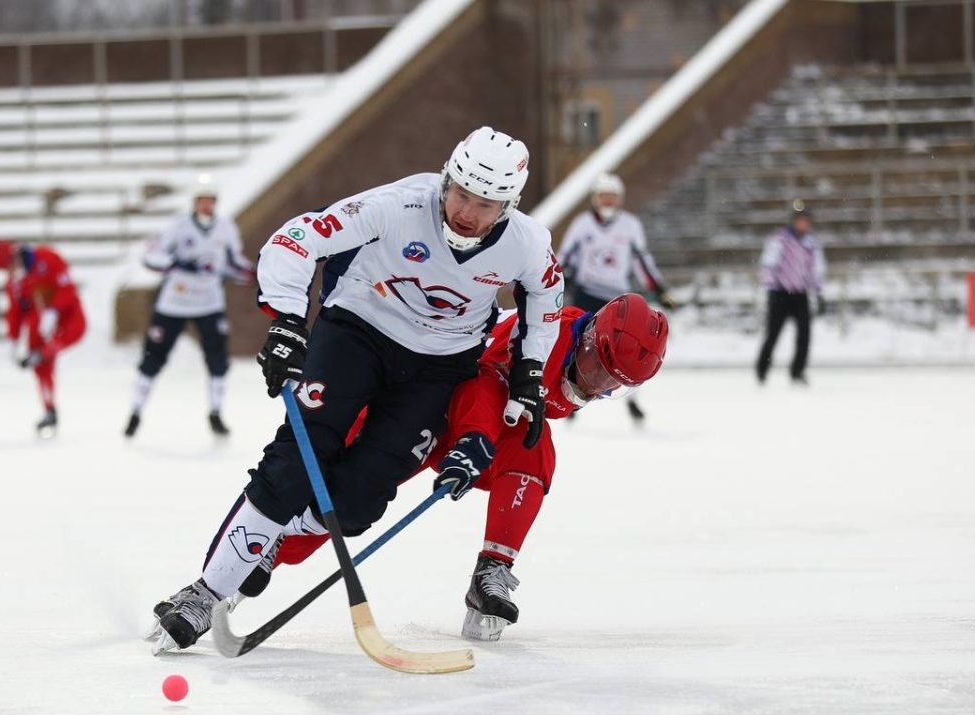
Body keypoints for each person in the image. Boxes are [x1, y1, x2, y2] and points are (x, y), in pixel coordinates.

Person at [147, 126, 565, 654]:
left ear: (508, 205)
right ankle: (205, 594)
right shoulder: (399, 204)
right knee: (296, 462)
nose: (467, 212)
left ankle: (275, 533)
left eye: (486, 203)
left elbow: (545, 300)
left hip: (439, 367)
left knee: (357, 505)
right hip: (357, 333)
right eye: (460, 193)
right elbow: (296, 239)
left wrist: (530, 372)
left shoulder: (527, 242)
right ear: (445, 179)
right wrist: (286, 323)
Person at [235, 294, 670, 642]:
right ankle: (256, 554)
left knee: (535, 445)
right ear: (590, 336)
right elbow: (483, 382)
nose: (595, 386)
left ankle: (492, 571)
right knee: (340, 492)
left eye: (612, 385)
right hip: (418, 408)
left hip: (464, 428)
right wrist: (474, 438)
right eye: (598, 369)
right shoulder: (546, 337)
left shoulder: (577, 366)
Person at [125, 175, 254, 438]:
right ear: (195, 202)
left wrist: (255, 274)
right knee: (153, 357)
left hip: (208, 302)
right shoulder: (179, 226)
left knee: (218, 358)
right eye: (202, 200)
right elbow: (152, 257)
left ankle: (216, 412)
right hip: (174, 303)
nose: (206, 205)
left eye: (210, 200)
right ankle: (136, 412)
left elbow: (233, 263)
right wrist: (177, 263)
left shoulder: (225, 228)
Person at [559, 172, 677, 425]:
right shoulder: (582, 224)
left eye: (612, 197)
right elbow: (565, 257)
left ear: (620, 199)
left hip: (618, 302)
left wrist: (659, 289)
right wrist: (556, 281)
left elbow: (642, 261)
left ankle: (632, 400)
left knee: (627, 351)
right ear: (595, 198)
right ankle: (568, 396)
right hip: (586, 293)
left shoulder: (630, 225)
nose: (608, 201)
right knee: (574, 345)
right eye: (604, 196)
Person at [0, 240, 87, 437]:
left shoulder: (47, 258)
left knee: (51, 347)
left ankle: (43, 354)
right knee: (39, 359)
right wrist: (13, 339)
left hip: (67, 316)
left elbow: (67, 289)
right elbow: (16, 311)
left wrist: (54, 310)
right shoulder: (14, 283)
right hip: (40, 321)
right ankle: (49, 407)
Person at [755, 200, 826, 385]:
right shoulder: (779, 240)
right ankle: (762, 370)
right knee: (773, 334)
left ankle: (798, 371)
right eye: (800, 220)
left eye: (806, 220)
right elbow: (768, 265)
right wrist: (771, 286)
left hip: (800, 294)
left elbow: (816, 269)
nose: (803, 224)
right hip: (780, 294)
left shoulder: (811, 244)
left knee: (804, 335)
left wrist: (818, 292)